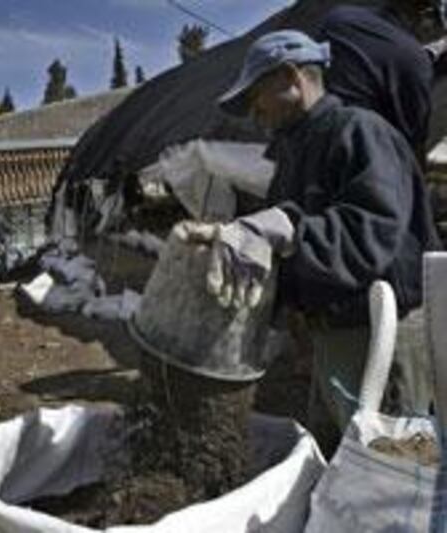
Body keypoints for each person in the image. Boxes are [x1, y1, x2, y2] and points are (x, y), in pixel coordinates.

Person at [182, 30, 440, 455]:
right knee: (341, 452)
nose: (254, 113)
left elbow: (368, 237)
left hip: (380, 335)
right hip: (333, 331)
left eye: (255, 97)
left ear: (289, 77)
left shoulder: (358, 132)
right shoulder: (293, 151)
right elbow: (285, 242)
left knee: (391, 467)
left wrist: (283, 228)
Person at [317, 0, 447, 163]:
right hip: (357, 165)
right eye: (434, 27)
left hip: (307, 149)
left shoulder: (338, 18)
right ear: (425, 14)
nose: (430, 33)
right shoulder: (413, 58)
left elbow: (376, 58)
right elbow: (412, 141)